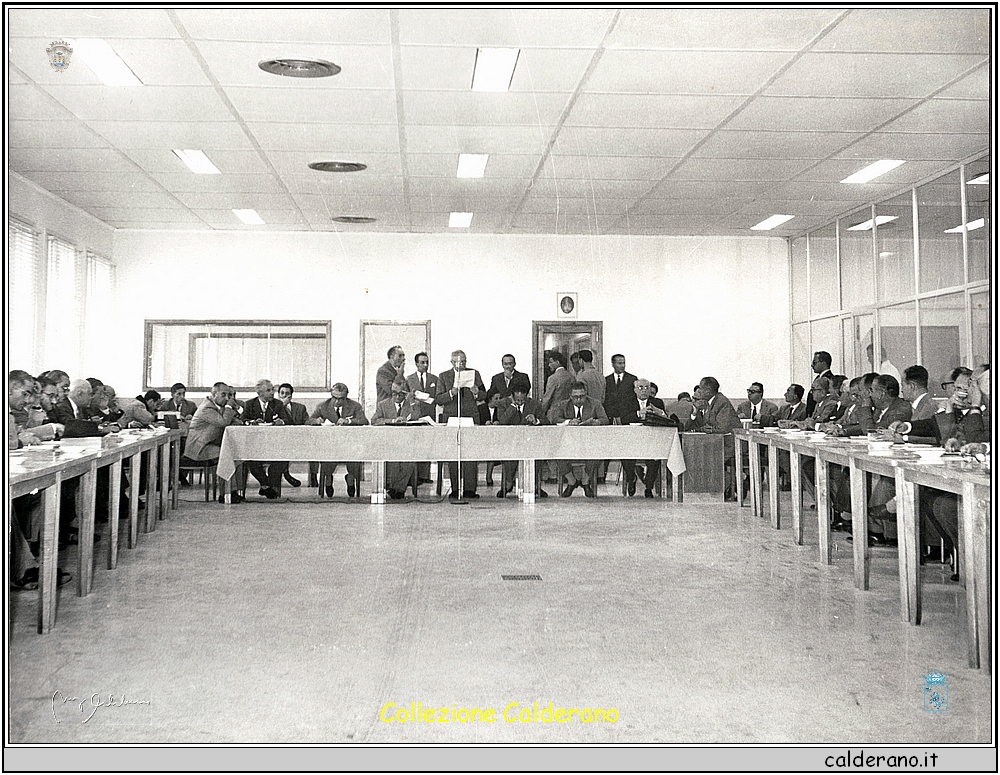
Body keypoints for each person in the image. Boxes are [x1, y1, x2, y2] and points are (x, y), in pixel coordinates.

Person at [435, 350, 486, 499]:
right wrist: (451, 393)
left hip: (470, 417)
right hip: (452, 418)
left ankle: (470, 489)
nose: (462, 364)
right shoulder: (444, 376)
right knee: (453, 454)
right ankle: (456, 489)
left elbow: (484, 395)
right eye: (458, 362)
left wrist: (477, 392)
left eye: (464, 361)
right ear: (451, 362)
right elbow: (438, 399)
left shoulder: (474, 374)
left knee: (471, 454)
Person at [184, 382, 246, 503]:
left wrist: (236, 409)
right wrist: (229, 407)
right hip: (199, 447)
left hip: (210, 444)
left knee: (238, 456)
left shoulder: (218, 407)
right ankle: (227, 493)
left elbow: (235, 419)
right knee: (227, 455)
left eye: (228, 395)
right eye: (223, 395)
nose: (227, 398)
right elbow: (223, 422)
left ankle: (232, 491)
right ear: (213, 394)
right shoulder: (206, 408)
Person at [548, 382, 609, 497]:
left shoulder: (595, 404)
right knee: (555, 452)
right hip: (568, 442)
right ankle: (571, 481)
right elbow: (555, 419)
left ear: (586, 394)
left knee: (598, 453)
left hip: (589, 443)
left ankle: (585, 481)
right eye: (575, 397)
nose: (579, 399)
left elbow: (605, 419)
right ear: (570, 396)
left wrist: (597, 422)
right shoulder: (562, 405)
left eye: (582, 396)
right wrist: (568, 422)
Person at [308, 383, 369, 498]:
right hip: (330, 444)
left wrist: (349, 421)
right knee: (328, 457)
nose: (337, 401)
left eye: (340, 398)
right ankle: (328, 479)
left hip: (349, 444)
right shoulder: (323, 406)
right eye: (334, 397)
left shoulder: (355, 406)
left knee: (354, 456)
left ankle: (350, 478)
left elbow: (364, 421)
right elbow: (308, 420)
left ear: (346, 397)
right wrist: (316, 421)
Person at [691, 376, 742, 500]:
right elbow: (704, 424)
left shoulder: (721, 402)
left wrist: (709, 429)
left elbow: (722, 427)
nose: (699, 391)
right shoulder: (712, 402)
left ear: (708, 391)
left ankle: (732, 481)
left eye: (701, 389)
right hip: (719, 442)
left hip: (730, 444)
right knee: (699, 456)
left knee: (707, 458)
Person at [497, 378, 549, 499]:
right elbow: (501, 422)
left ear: (527, 395)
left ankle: (534, 484)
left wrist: (536, 420)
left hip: (530, 441)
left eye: (522, 399)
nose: (520, 402)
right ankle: (508, 483)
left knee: (537, 454)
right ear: (512, 396)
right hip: (511, 441)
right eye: (517, 399)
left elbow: (546, 421)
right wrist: (512, 408)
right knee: (509, 455)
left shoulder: (534, 404)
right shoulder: (503, 403)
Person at [370, 378, 420, 499]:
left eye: (400, 394)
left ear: (406, 393)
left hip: (407, 442)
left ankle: (398, 488)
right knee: (392, 458)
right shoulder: (383, 404)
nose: (397, 397)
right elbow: (374, 421)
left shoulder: (412, 404)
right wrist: (392, 421)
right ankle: (395, 488)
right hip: (389, 441)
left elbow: (417, 417)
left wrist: (412, 402)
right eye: (394, 393)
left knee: (409, 460)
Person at [485, 354, 530, 486]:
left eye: (510, 363)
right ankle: (505, 481)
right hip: (504, 414)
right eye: (505, 364)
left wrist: (511, 381)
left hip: (519, 416)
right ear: (502, 364)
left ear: (514, 364)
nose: (508, 366)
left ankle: (516, 481)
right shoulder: (497, 378)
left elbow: (523, 392)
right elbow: (493, 394)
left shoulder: (522, 376)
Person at [242, 379, 290, 499]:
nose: (272, 393)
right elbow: (242, 420)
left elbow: (288, 420)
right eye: (269, 390)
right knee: (251, 460)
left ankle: (269, 486)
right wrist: (251, 422)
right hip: (254, 444)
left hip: (274, 443)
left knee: (281, 459)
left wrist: (281, 421)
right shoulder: (249, 404)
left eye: (272, 389)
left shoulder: (278, 404)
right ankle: (265, 485)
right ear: (260, 393)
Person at [620, 378, 667, 497]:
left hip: (651, 441)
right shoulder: (627, 401)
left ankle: (649, 487)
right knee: (624, 454)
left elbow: (665, 419)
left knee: (654, 458)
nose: (644, 390)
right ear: (635, 390)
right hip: (631, 440)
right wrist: (639, 413)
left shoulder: (657, 402)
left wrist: (658, 413)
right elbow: (624, 419)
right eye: (640, 387)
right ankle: (632, 479)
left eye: (647, 387)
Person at [603, 353, 640, 490]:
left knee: (627, 450)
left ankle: (631, 477)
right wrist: (611, 417)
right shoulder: (606, 380)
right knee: (607, 448)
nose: (622, 365)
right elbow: (605, 401)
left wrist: (623, 417)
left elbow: (633, 402)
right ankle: (602, 476)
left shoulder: (632, 379)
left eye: (623, 362)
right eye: (619, 363)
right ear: (613, 364)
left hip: (626, 420)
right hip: (611, 421)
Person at [406, 352, 438, 485]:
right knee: (414, 445)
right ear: (416, 364)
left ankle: (425, 474)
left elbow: (438, 396)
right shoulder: (409, 379)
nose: (425, 365)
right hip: (415, 415)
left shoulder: (434, 379)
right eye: (422, 362)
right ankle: (413, 475)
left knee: (427, 445)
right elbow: (406, 397)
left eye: (427, 362)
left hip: (429, 415)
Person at [277, 382, 309, 488]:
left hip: (297, 439)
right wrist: (282, 405)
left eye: (287, 393)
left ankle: (313, 476)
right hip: (279, 440)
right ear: (278, 395)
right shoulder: (274, 407)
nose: (284, 395)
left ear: (291, 395)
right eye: (282, 393)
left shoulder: (300, 408)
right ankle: (285, 474)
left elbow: (307, 422)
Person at [806, 351, 834, 415]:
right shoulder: (818, 377)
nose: (812, 365)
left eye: (814, 362)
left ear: (823, 363)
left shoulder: (829, 379)